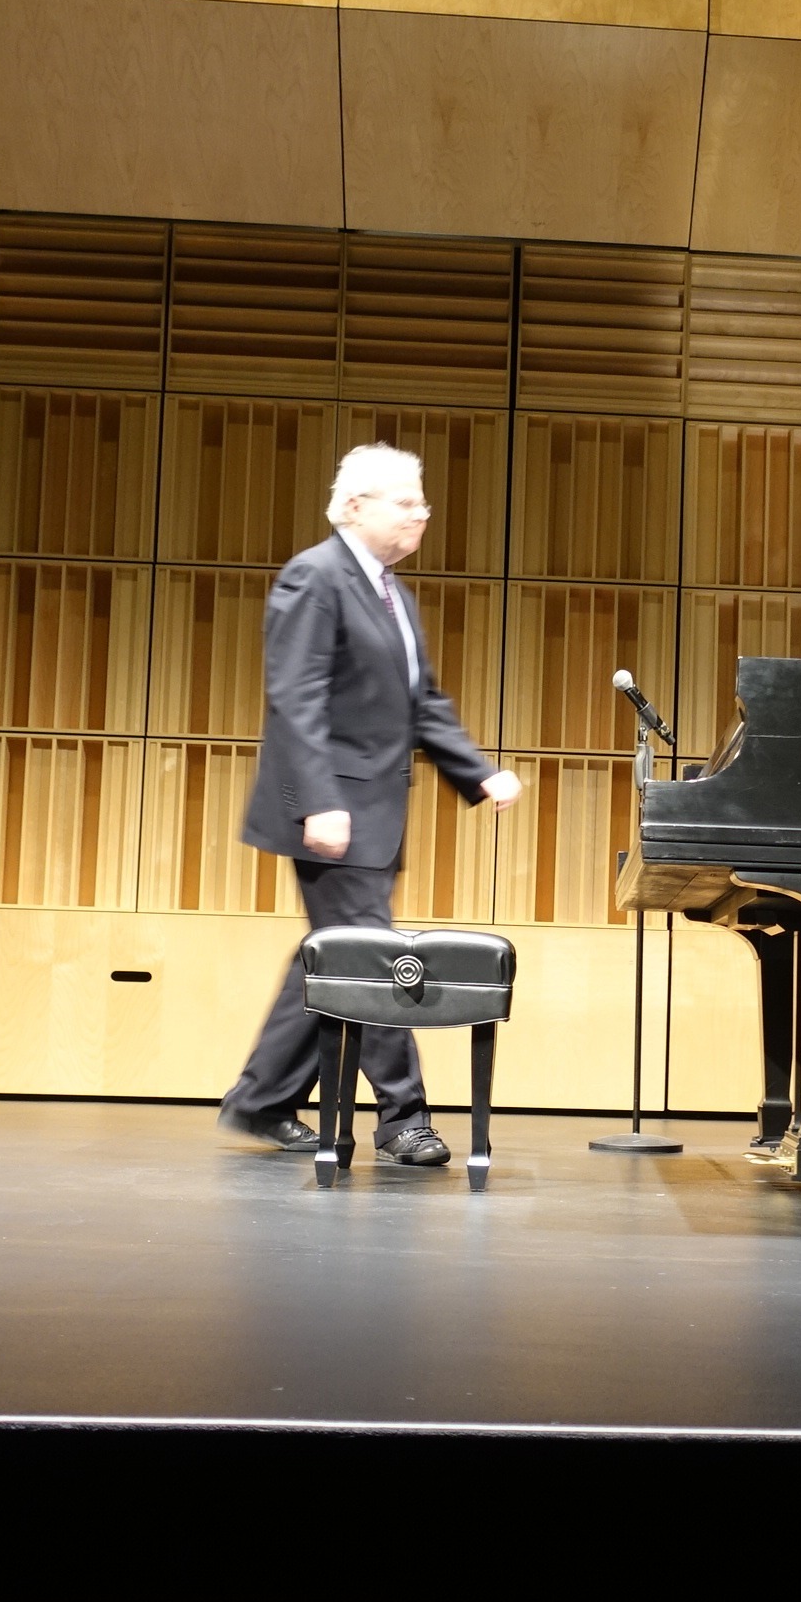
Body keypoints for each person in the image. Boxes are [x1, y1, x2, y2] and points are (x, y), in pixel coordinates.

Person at [218, 443, 523, 1164]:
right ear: (355, 507)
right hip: (333, 811)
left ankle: (260, 1100)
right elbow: (295, 699)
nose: (422, 514)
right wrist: (318, 802)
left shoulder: (392, 593)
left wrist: (478, 772)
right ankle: (402, 1118)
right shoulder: (315, 576)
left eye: (423, 502)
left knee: (331, 960)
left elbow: (423, 703)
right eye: (406, 501)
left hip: (373, 813)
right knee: (376, 959)